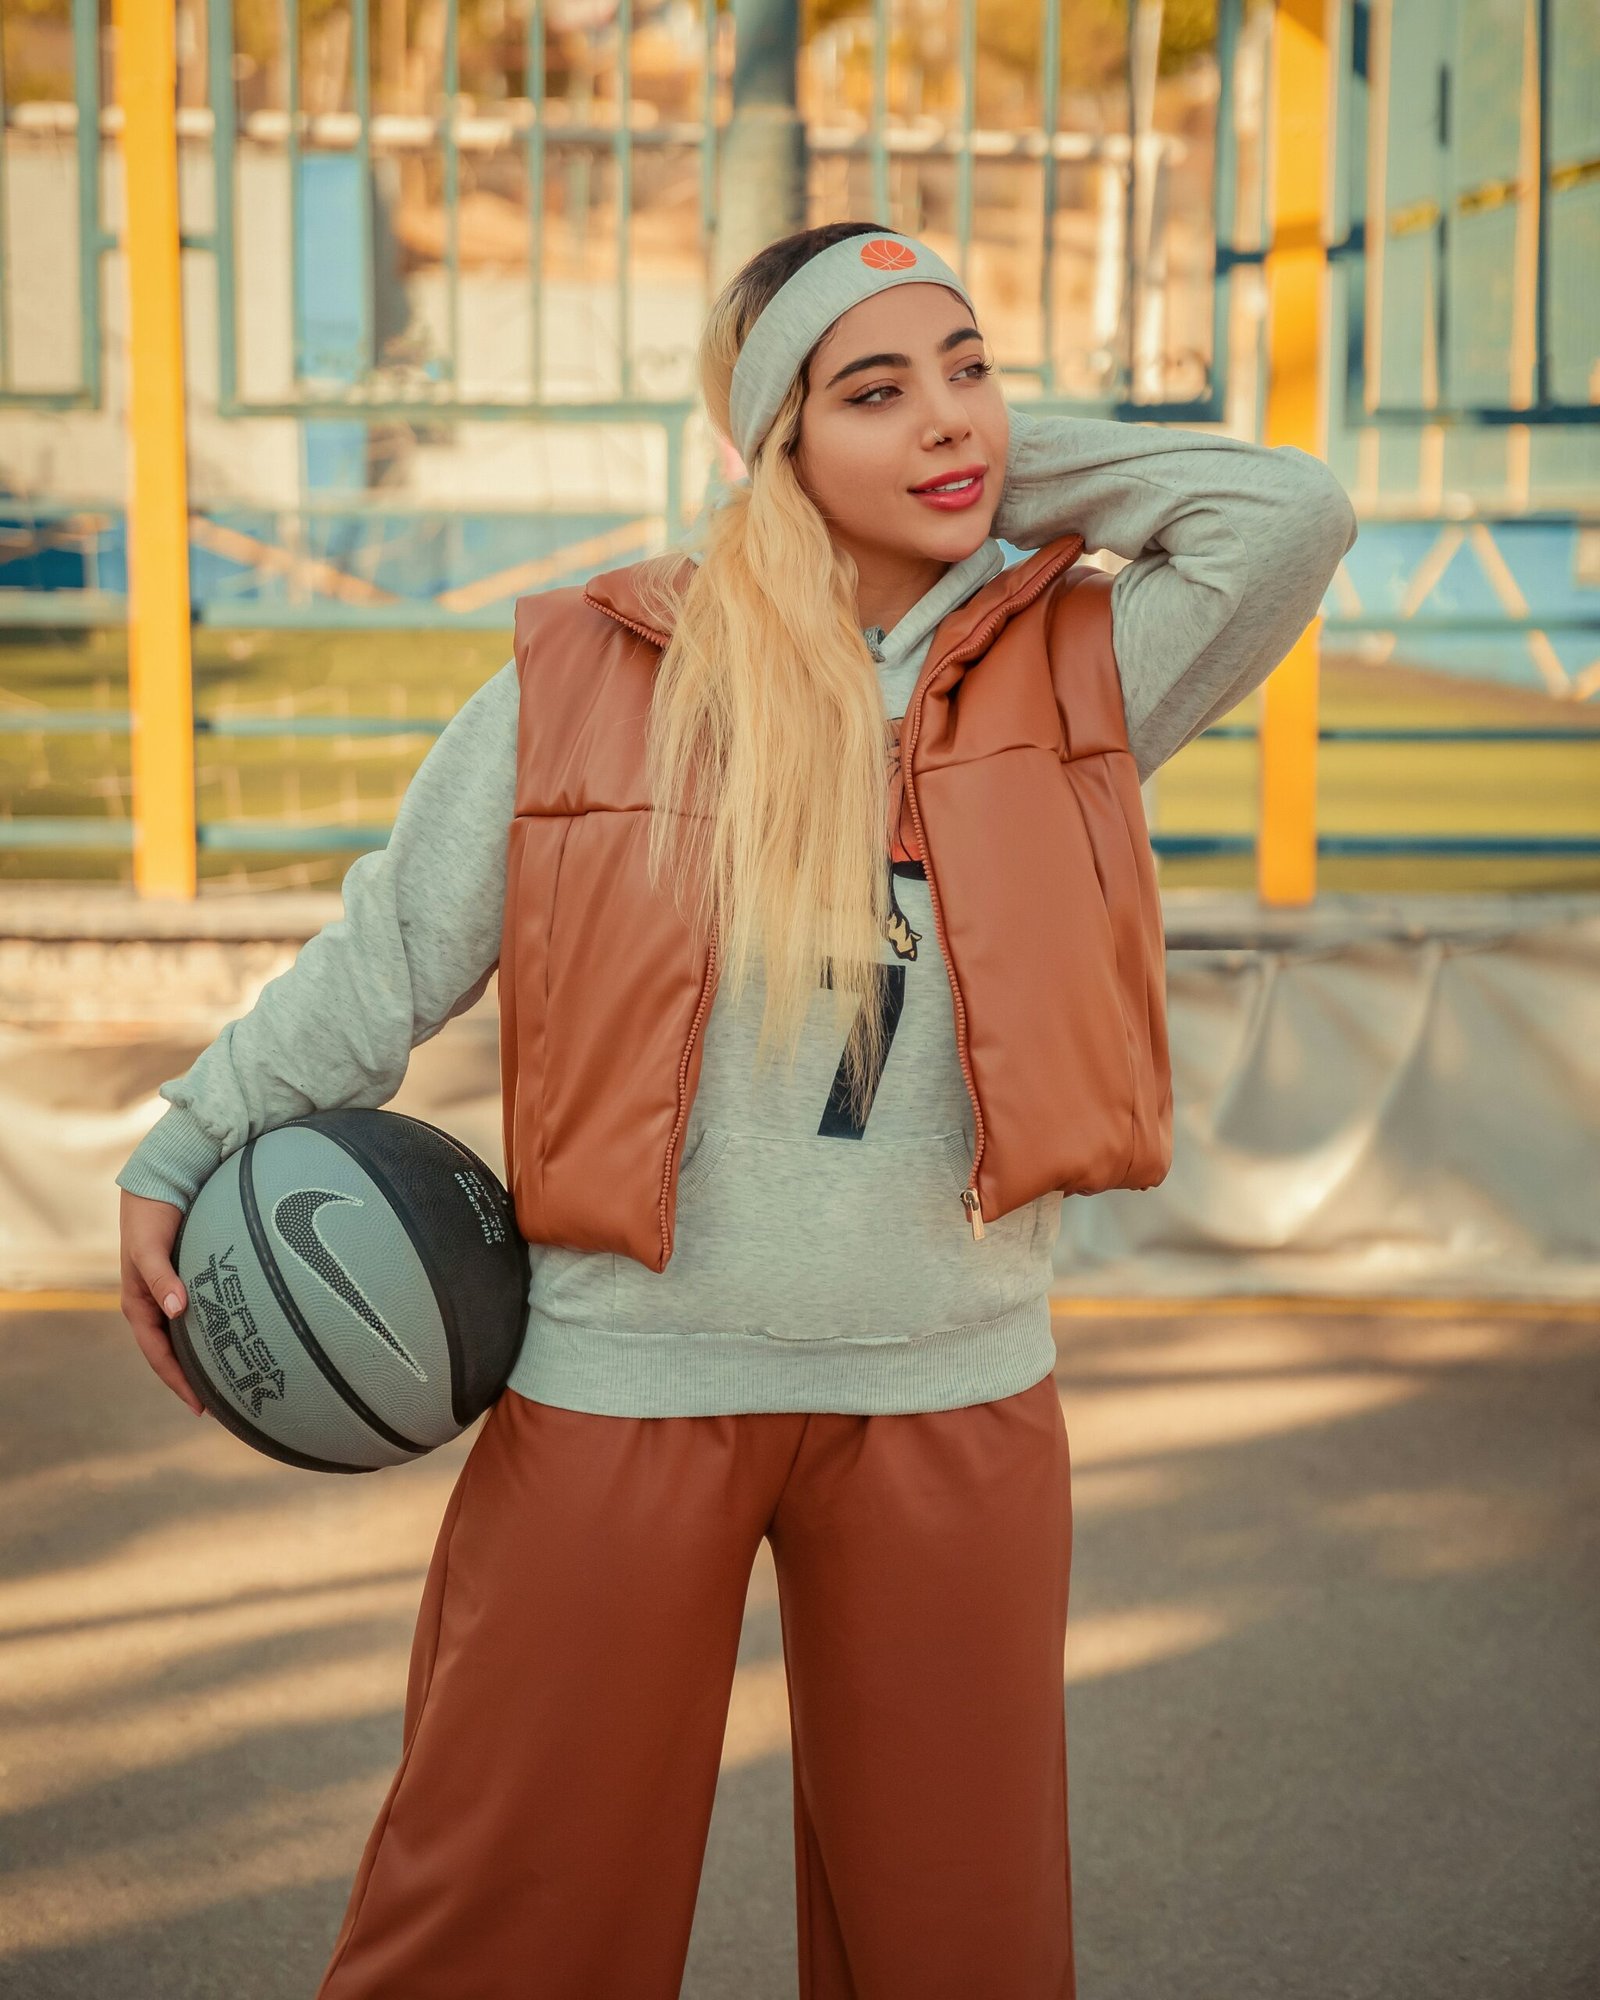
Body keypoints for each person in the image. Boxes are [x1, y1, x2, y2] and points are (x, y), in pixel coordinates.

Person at [117, 221, 1358, 1998]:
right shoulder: (594, 671)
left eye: (969, 370)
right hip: (628, 1382)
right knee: (503, 1925)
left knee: (962, 1945)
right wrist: (184, 1146)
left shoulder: (1080, 671)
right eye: (875, 391)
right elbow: (391, 956)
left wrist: (971, 467)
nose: (949, 416)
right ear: (774, 440)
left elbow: (1286, 515)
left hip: (949, 1385)